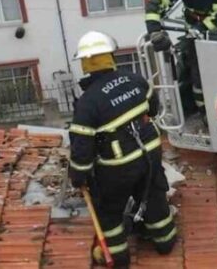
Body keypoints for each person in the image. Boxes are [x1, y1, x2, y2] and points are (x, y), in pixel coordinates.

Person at [68, 31, 177, 267]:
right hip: (150, 152)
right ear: (110, 56)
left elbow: (82, 147)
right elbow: (154, 107)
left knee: (108, 210)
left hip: (118, 166)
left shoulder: (88, 103)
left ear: (86, 64)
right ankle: (165, 240)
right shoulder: (135, 79)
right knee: (152, 194)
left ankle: (118, 257)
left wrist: (78, 176)